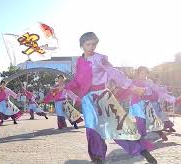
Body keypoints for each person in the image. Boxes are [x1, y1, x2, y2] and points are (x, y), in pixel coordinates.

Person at [65, 32, 157, 164]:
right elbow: (78, 80)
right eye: (88, 44)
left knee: (117, 126)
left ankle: (139, 149)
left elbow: (114, 73)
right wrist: (67, 86)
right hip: (87, 100)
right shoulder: (79, 61)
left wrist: (132, 87)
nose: (91, 47)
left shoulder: (100, 58)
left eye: (93, 44)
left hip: (102, 96)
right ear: (81, 45)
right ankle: (97, 157)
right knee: (91, 128)